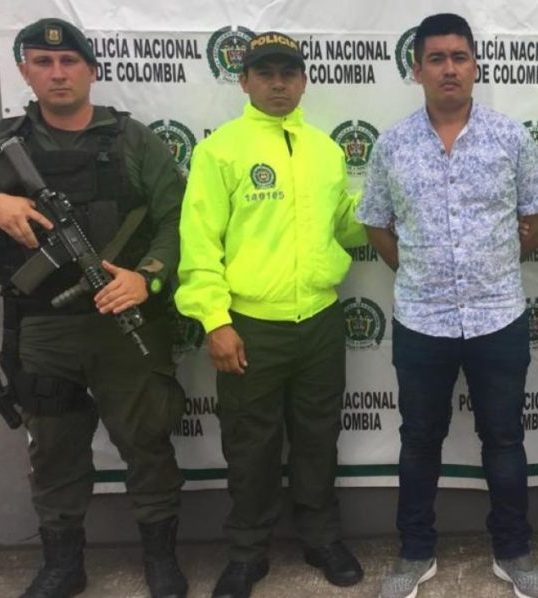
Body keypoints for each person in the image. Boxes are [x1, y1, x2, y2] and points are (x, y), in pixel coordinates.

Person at [0, 17, 188, 598]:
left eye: (69, 62)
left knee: (147, 445)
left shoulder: (132, 140)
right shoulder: (0, 142)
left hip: (124, 325)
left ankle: (161, 559)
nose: (57, 73)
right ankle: (63, 565)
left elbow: (179, 219)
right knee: (55, 451)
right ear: (25, 72)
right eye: (43, 62)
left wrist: (147, 277)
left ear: (91, 70)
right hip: (41, 329)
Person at [356, 13, 538, 598]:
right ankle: (415, 553)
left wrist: (492, 267)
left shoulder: (510, 137)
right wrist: (420, 271)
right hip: (422, 320)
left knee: (505, 440)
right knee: (419, 441)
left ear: (475, 66)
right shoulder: (392, 145)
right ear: (416, 69)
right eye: (436, 58)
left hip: (498, 316)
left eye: (459, 57)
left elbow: (537, 219)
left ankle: (513, 551)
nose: (449, 68)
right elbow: (376, 224)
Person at [174, 31, 366, 598]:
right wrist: (215, 320)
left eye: (288, 73)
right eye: (265, 73)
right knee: (250, 444)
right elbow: (199, 245)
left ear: (304, 81)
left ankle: (321, 538)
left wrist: (391, 207)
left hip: (320, 320)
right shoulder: (220, 151)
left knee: (318, 437)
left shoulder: (325, 150)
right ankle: (246, 552)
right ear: (244, 81)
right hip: (251, 325)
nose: (278, 84)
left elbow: (344, 227)